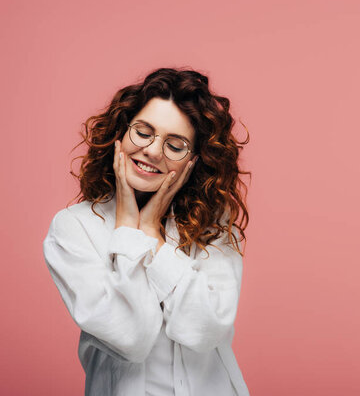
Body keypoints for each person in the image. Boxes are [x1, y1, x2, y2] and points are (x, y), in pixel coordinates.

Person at [43, 67, 250, 396]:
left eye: (175, 144)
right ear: (121, 133)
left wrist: (152, 236)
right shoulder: (75, 228)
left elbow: (207, 329)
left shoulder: (214, 225)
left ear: (193, 161)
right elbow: (130, 338)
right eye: (143, 132)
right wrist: (128, 230)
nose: (153, 151)